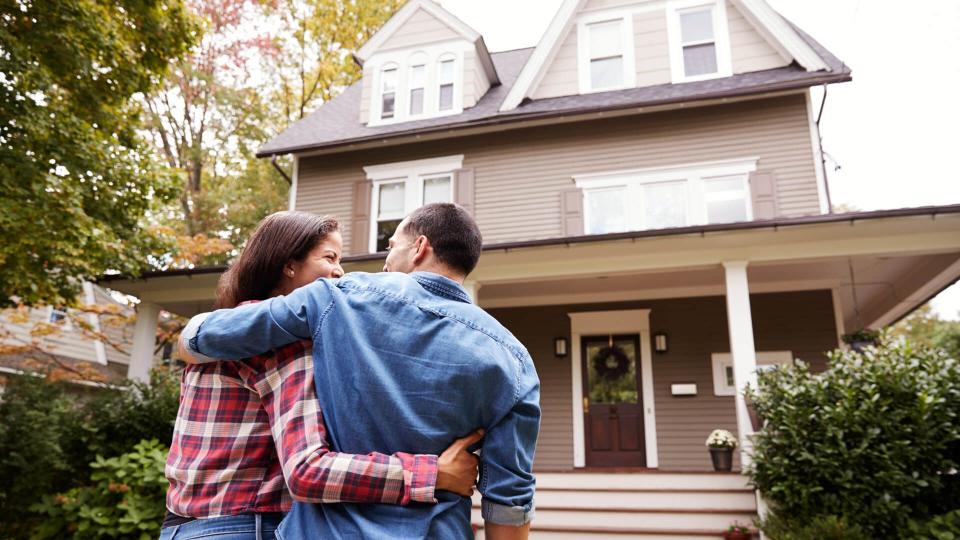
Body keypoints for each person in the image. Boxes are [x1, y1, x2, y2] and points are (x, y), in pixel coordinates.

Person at [180, 203, 540, 540]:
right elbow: (509, 498)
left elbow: (206, 335)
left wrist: (190, 339)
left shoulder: (337, 297)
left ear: (419, 248)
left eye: (391, 247)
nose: (384, 263)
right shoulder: (514, 360)